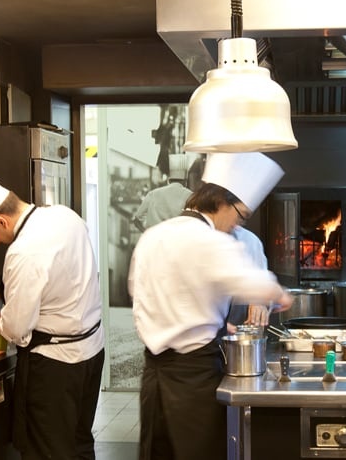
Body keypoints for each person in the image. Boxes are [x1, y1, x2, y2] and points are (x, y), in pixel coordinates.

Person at [130, 152, 293, 460]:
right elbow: (252, 283)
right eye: (240, 215)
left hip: (154, 374)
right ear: (221, 202)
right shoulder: (211, 241)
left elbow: (146, 300)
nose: (237, 225)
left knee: (158, 453)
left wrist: (214, 324)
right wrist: (280, 294)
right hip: (194, 377)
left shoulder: (154, 236)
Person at [0, 161, 106, 460]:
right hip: (91, 353)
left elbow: (17, 327)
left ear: (0, 221)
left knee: (48, 453)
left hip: (57, 365)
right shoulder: (65, 216)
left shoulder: (24, 251)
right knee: (79, 445)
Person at [132, 155, 194, 231]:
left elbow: (136, 220)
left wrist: (146, 233)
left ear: (169, 180)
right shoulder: (190, 196)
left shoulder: (153, 194)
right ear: (185, 181)